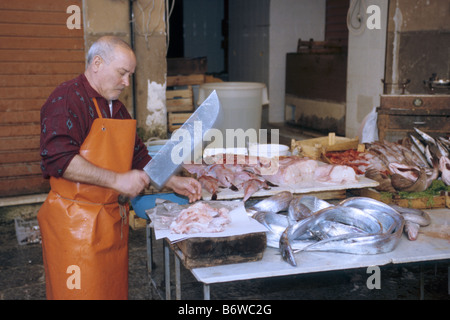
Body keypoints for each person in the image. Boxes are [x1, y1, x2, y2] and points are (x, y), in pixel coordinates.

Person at [37, 35, 202, 300]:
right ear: (98, 63)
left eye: (130, 76)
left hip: (111, 224)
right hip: (74, 227)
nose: (126, 83)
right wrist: (117, 180)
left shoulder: (117, 108)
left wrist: (172, 181)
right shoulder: (66, 100)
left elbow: (138, 155)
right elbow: (59, 159)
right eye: (122, 73)